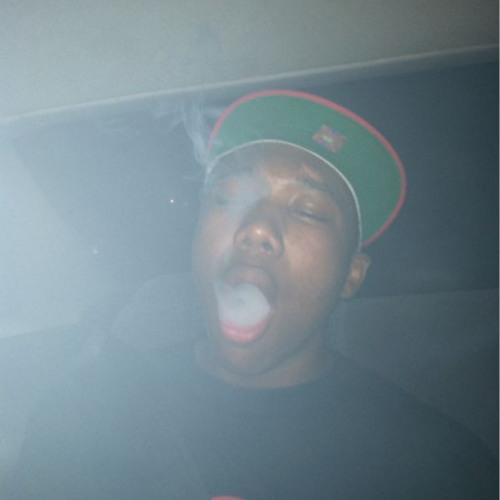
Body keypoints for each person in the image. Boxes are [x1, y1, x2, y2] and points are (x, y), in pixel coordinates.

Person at [8, 91, 497, 499]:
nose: (257, 227)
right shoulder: (86, 415)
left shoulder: (435, 466)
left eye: (308, 210)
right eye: (228, 198)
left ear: (351, 274)